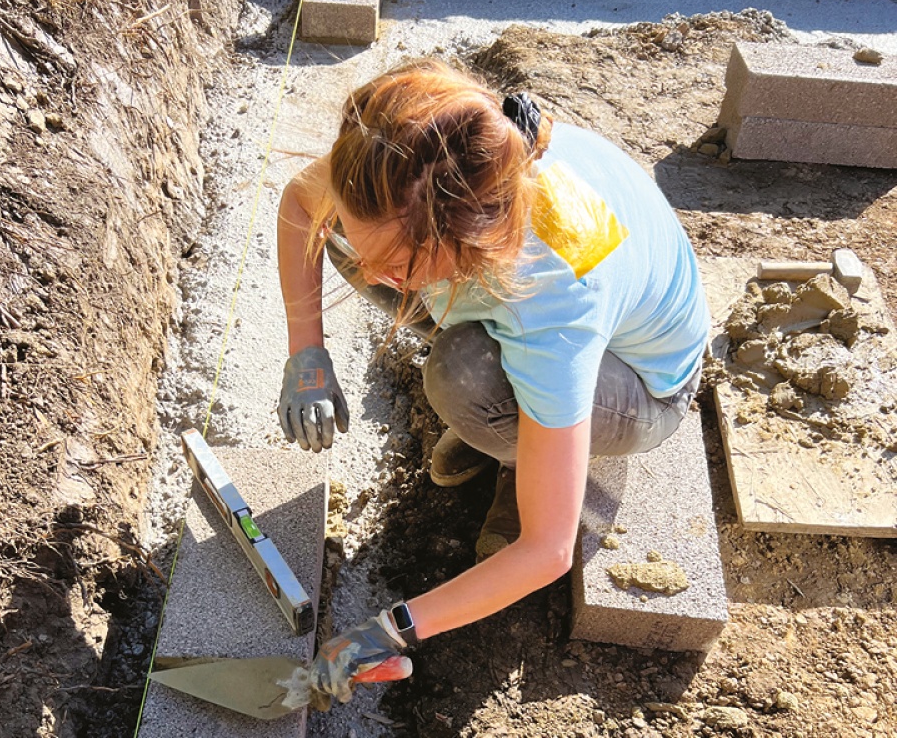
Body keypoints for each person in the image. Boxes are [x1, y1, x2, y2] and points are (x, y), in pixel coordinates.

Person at [275, 59, 708, 703]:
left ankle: (525, 444)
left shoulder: (552, 298)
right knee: (344, 241)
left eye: (395, 266)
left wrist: (387, 634)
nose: (374, 278)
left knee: (462, 375)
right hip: (511, 298)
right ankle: (519, 422)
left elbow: (546, 550)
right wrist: (306, 353)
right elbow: (300, 200)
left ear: (469, 241)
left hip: (644, 386)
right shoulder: (407, 173)